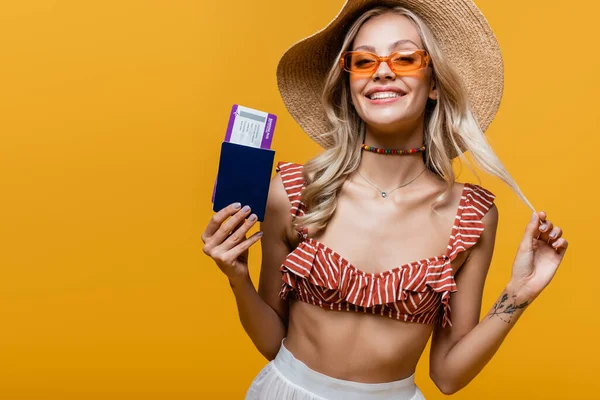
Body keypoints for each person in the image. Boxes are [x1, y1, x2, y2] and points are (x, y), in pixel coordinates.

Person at [202, 1, 569, 398]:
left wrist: (520, 292)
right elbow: (273, 342)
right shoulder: (295, 192)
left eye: (405, 58)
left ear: (433, 84)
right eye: (363, 62)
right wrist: (237, 279)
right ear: (349, 84)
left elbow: (448, 376)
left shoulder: (470, 216)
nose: (382, 71)